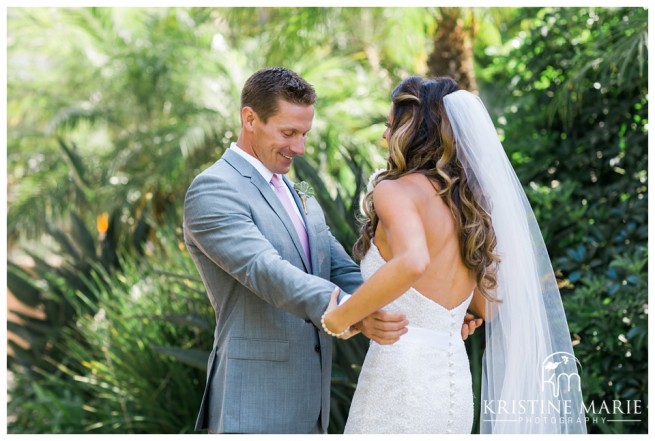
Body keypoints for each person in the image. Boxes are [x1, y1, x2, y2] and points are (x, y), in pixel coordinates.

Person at [183, 67, 480, 434]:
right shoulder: (214, 188)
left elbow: (341, 268)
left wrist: (425, 308)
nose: (300, 148)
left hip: (313, 410)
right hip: (254, 402)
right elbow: (264, 269)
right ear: (250, 119)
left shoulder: (298, 193)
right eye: (288, 133)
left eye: (304, 134)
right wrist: (345, 312)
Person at [321, 76, 587, 434]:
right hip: (451, 382)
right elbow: (487, 308)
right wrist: (449, 316)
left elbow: (413, 262)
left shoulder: (393, 190)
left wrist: (339, 320)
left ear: (413, 131)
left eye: (391, 125)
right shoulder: (467, 205)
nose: (385, 136)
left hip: (398, 378)